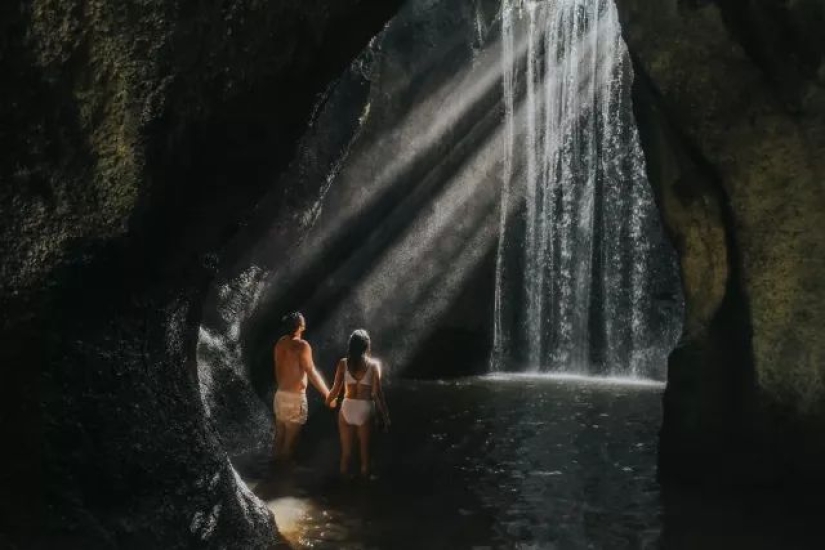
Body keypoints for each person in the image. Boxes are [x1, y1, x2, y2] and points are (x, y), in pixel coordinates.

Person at [326, 329, 390, 477]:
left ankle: (343, 491)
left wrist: (328, 400)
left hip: (347, 407)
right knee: (365, 459)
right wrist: (385, 417)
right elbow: (377, 393)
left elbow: (335, 390)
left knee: (346, 456)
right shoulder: (374, 365)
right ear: (367, 346)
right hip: (365, 408)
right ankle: (363, 496)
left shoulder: (343, 363)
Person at [273, 311, 330, 463]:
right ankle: (282, 481)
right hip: (295, 397)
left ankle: (269, 477)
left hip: (281, 395)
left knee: (279, 437)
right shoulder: (302, 346)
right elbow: (311, 372)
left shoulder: (280, 343)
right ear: (300, 327)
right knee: (289, 444)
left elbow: (278, 369)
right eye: (302, 322)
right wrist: (327, 393)